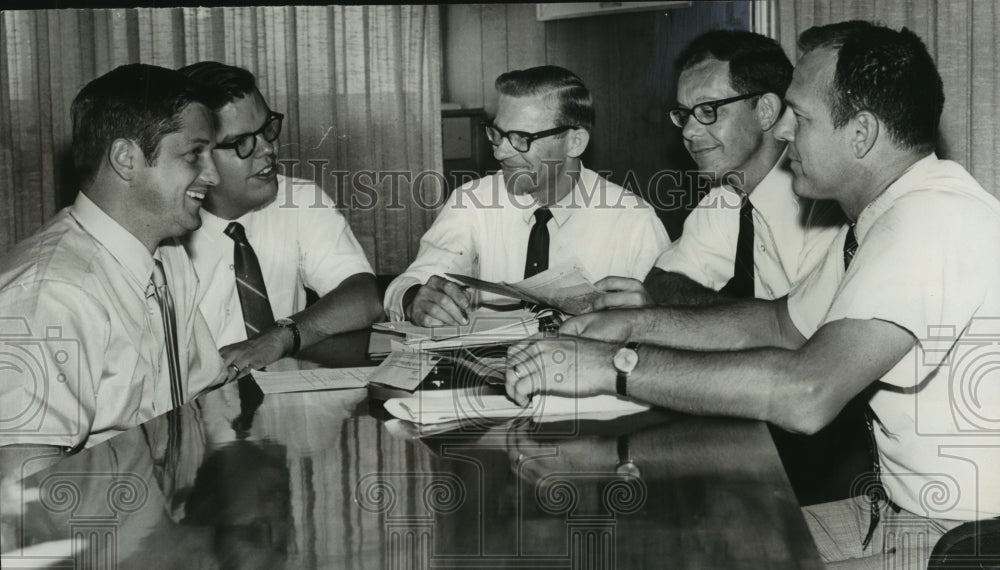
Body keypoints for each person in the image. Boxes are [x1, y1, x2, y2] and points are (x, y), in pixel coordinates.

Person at [507, 21, 1000, 567]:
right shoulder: (889, 215)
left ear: (859, 134)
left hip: (968, 543)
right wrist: (635, 325)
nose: (783, 131)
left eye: (801, 116)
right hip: (897, 516)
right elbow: (775, 326)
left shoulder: (930, 221)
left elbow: (806, 394)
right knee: (685, 540)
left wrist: (614, 366)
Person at [0, 64, 228, 471]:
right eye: (195, 154)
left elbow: (199, 397)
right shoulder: (53, 293)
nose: (212, 175)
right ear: (126, 158)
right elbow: (23, 490)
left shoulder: (168, 258)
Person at [383, 65, 670, 326]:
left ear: (575, 142)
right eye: (497, 134)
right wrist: (414, 299)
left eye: (522, 139)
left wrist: (652, 316)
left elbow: (671, 323)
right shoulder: (473, 201)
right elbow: (412, 281)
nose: (500, 152)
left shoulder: (634, 222)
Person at [594, 29, 842, 310]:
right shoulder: (728, 193)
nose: (689, 130)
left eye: (708, 109)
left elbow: (801, 329)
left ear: (766, 111)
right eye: (685, 114)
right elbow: (663, 280)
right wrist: (736, 316)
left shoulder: (824, 201)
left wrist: (721, 315)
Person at [178, 62, 383, 372]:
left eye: (267, 129)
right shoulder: (164, 229)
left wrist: (280, 337)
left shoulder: (298, 200)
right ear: (196, 155)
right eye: (243, 142)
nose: (268, 149)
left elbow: (365, 298)